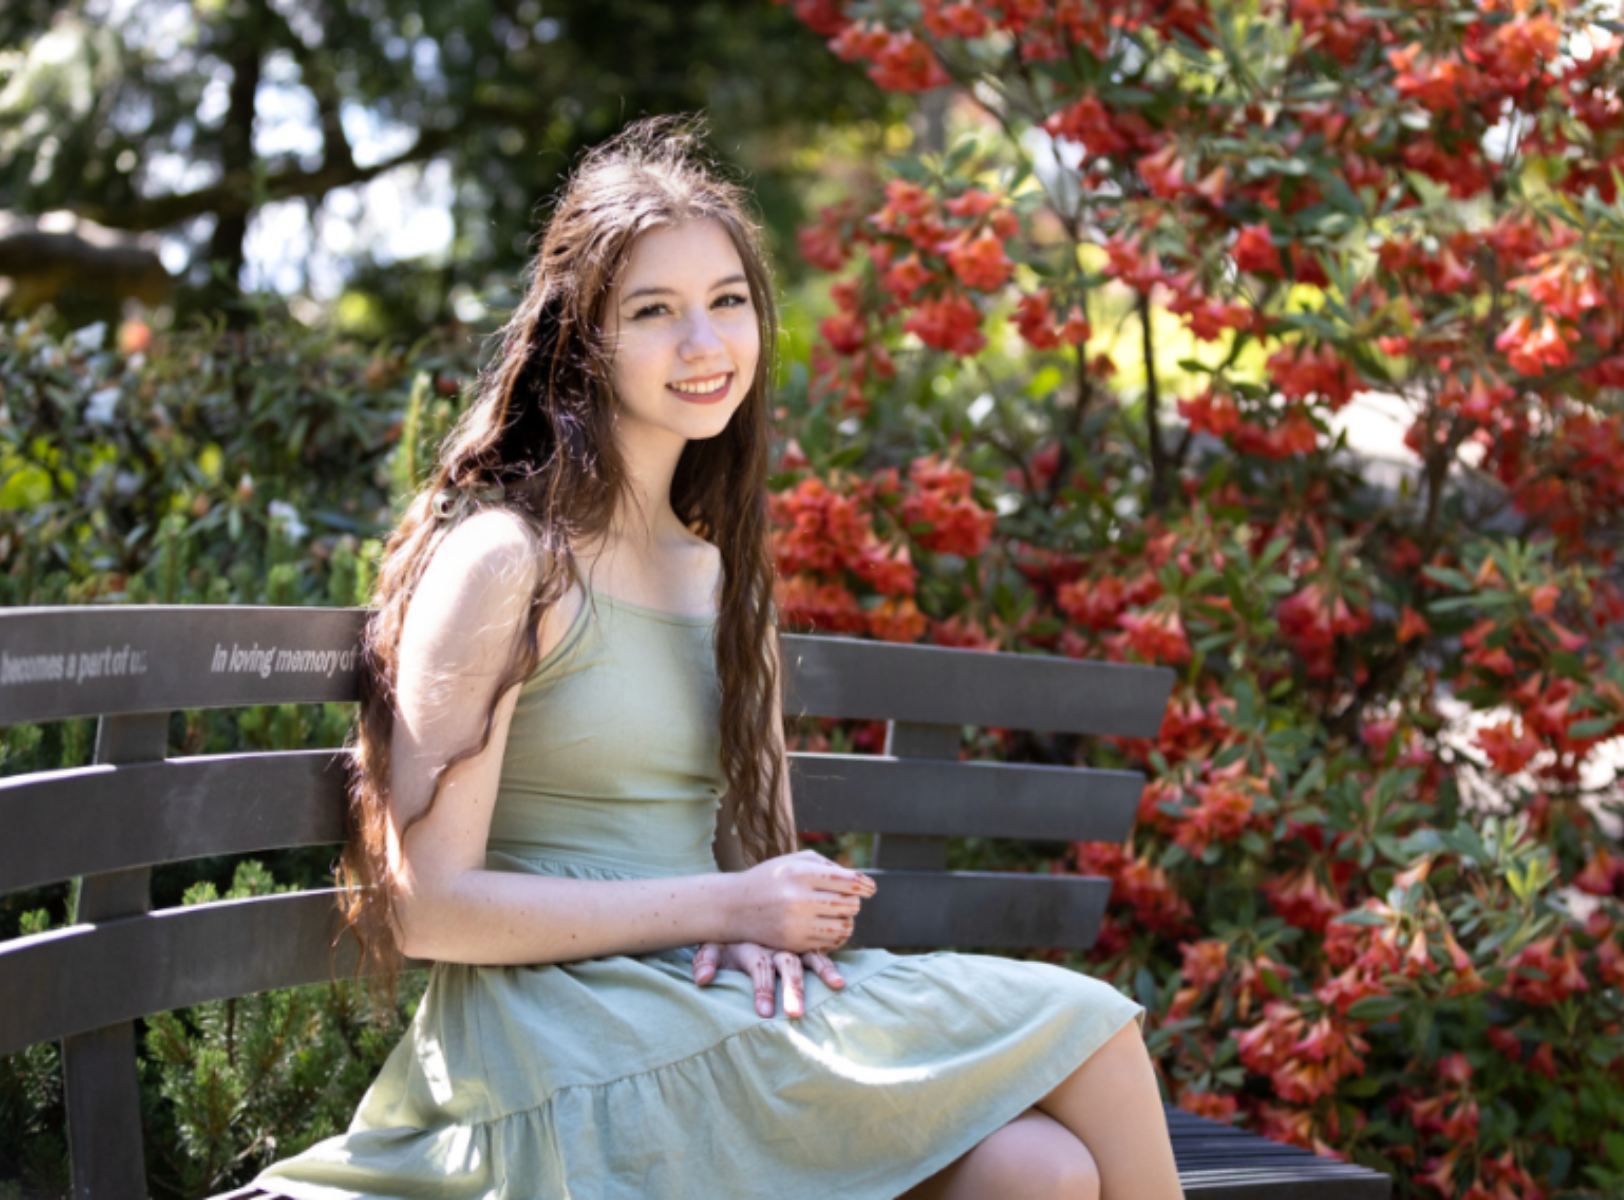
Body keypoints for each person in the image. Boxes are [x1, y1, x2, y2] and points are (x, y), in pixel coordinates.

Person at [250, 115, 1183, 1200]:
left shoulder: (719, 574)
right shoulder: (508, 560)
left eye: (728, 301)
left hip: (694, 999)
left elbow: (752, 873)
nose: (705, 343)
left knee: (1043, 1173)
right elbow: (427, 906)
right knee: (1093, 1024)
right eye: (655, 311)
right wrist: (725, 907)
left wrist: (761, 921)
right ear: (581, 339)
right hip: (554, 1031)